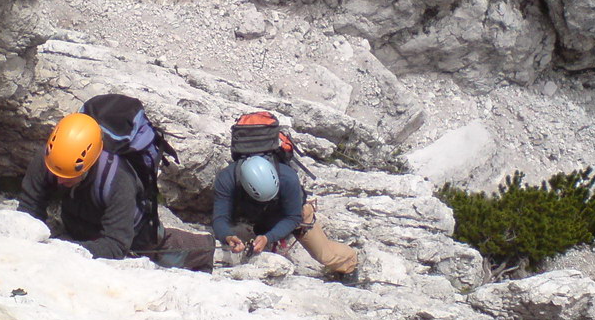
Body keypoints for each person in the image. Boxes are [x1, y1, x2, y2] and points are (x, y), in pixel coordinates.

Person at [18, 108, 213, 271]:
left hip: (136, 231)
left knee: (165, 249)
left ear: (90, 164)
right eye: (58, 174)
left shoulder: (118, 179)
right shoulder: (53, 157)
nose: (59, 181)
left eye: (69, 177)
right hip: (81, 220)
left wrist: (66, 249)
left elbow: (116, 245)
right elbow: (29, 206)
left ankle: (209, 248)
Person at [211, 154, 359, 282]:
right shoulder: (226, 179)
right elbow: (220, 217)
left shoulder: (288, 178)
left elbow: (294, 217)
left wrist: (268, 238)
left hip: (293, 213)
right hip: (257, 217)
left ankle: (350, 262)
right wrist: (228, 236)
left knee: (325, 255)